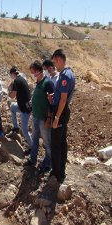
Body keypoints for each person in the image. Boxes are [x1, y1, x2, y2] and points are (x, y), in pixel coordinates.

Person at [50, 49, 75, 183]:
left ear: (59, 60)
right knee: (62, 141)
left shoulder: (65, 76)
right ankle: (62, 169)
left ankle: (57, 173)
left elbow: (64, 99)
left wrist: (56, 117)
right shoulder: (69, 72)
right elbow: (62, 95)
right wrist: (55, 96)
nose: (54, 65)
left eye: (54, 61)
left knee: (56, 143)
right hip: (63, 110)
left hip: (61, 111)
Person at [24, 61, 54, 174]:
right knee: (35, 139)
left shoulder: (48, 83)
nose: (31, 74)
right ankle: (33, 159)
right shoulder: (38, 82)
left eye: (32, 72)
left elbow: (52, 103)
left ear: (38, 71)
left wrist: (49, 118)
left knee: (47, 142)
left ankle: (47, 164)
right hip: (36, 116)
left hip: (43, 118)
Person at [8, 66, 33, 153]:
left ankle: (32, 147)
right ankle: (15, 127)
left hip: (25, 108)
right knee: (12, 107)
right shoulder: (22, 78)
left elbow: (12, 95)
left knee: (25, 130)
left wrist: (8, 92)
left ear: (12, 74)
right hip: (24, 104)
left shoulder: (17, 81)